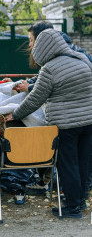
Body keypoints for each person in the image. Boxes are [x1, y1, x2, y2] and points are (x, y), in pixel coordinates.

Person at [6, 28, 92, 219]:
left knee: (68, 165)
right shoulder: (82, 60)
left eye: (34, 43)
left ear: (44, 47)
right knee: (83, 163)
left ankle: (72, 208)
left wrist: (15, 114)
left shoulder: (49, 69)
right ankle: (81, 201)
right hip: (88, 122)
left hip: (66, 125)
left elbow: (35, 98)